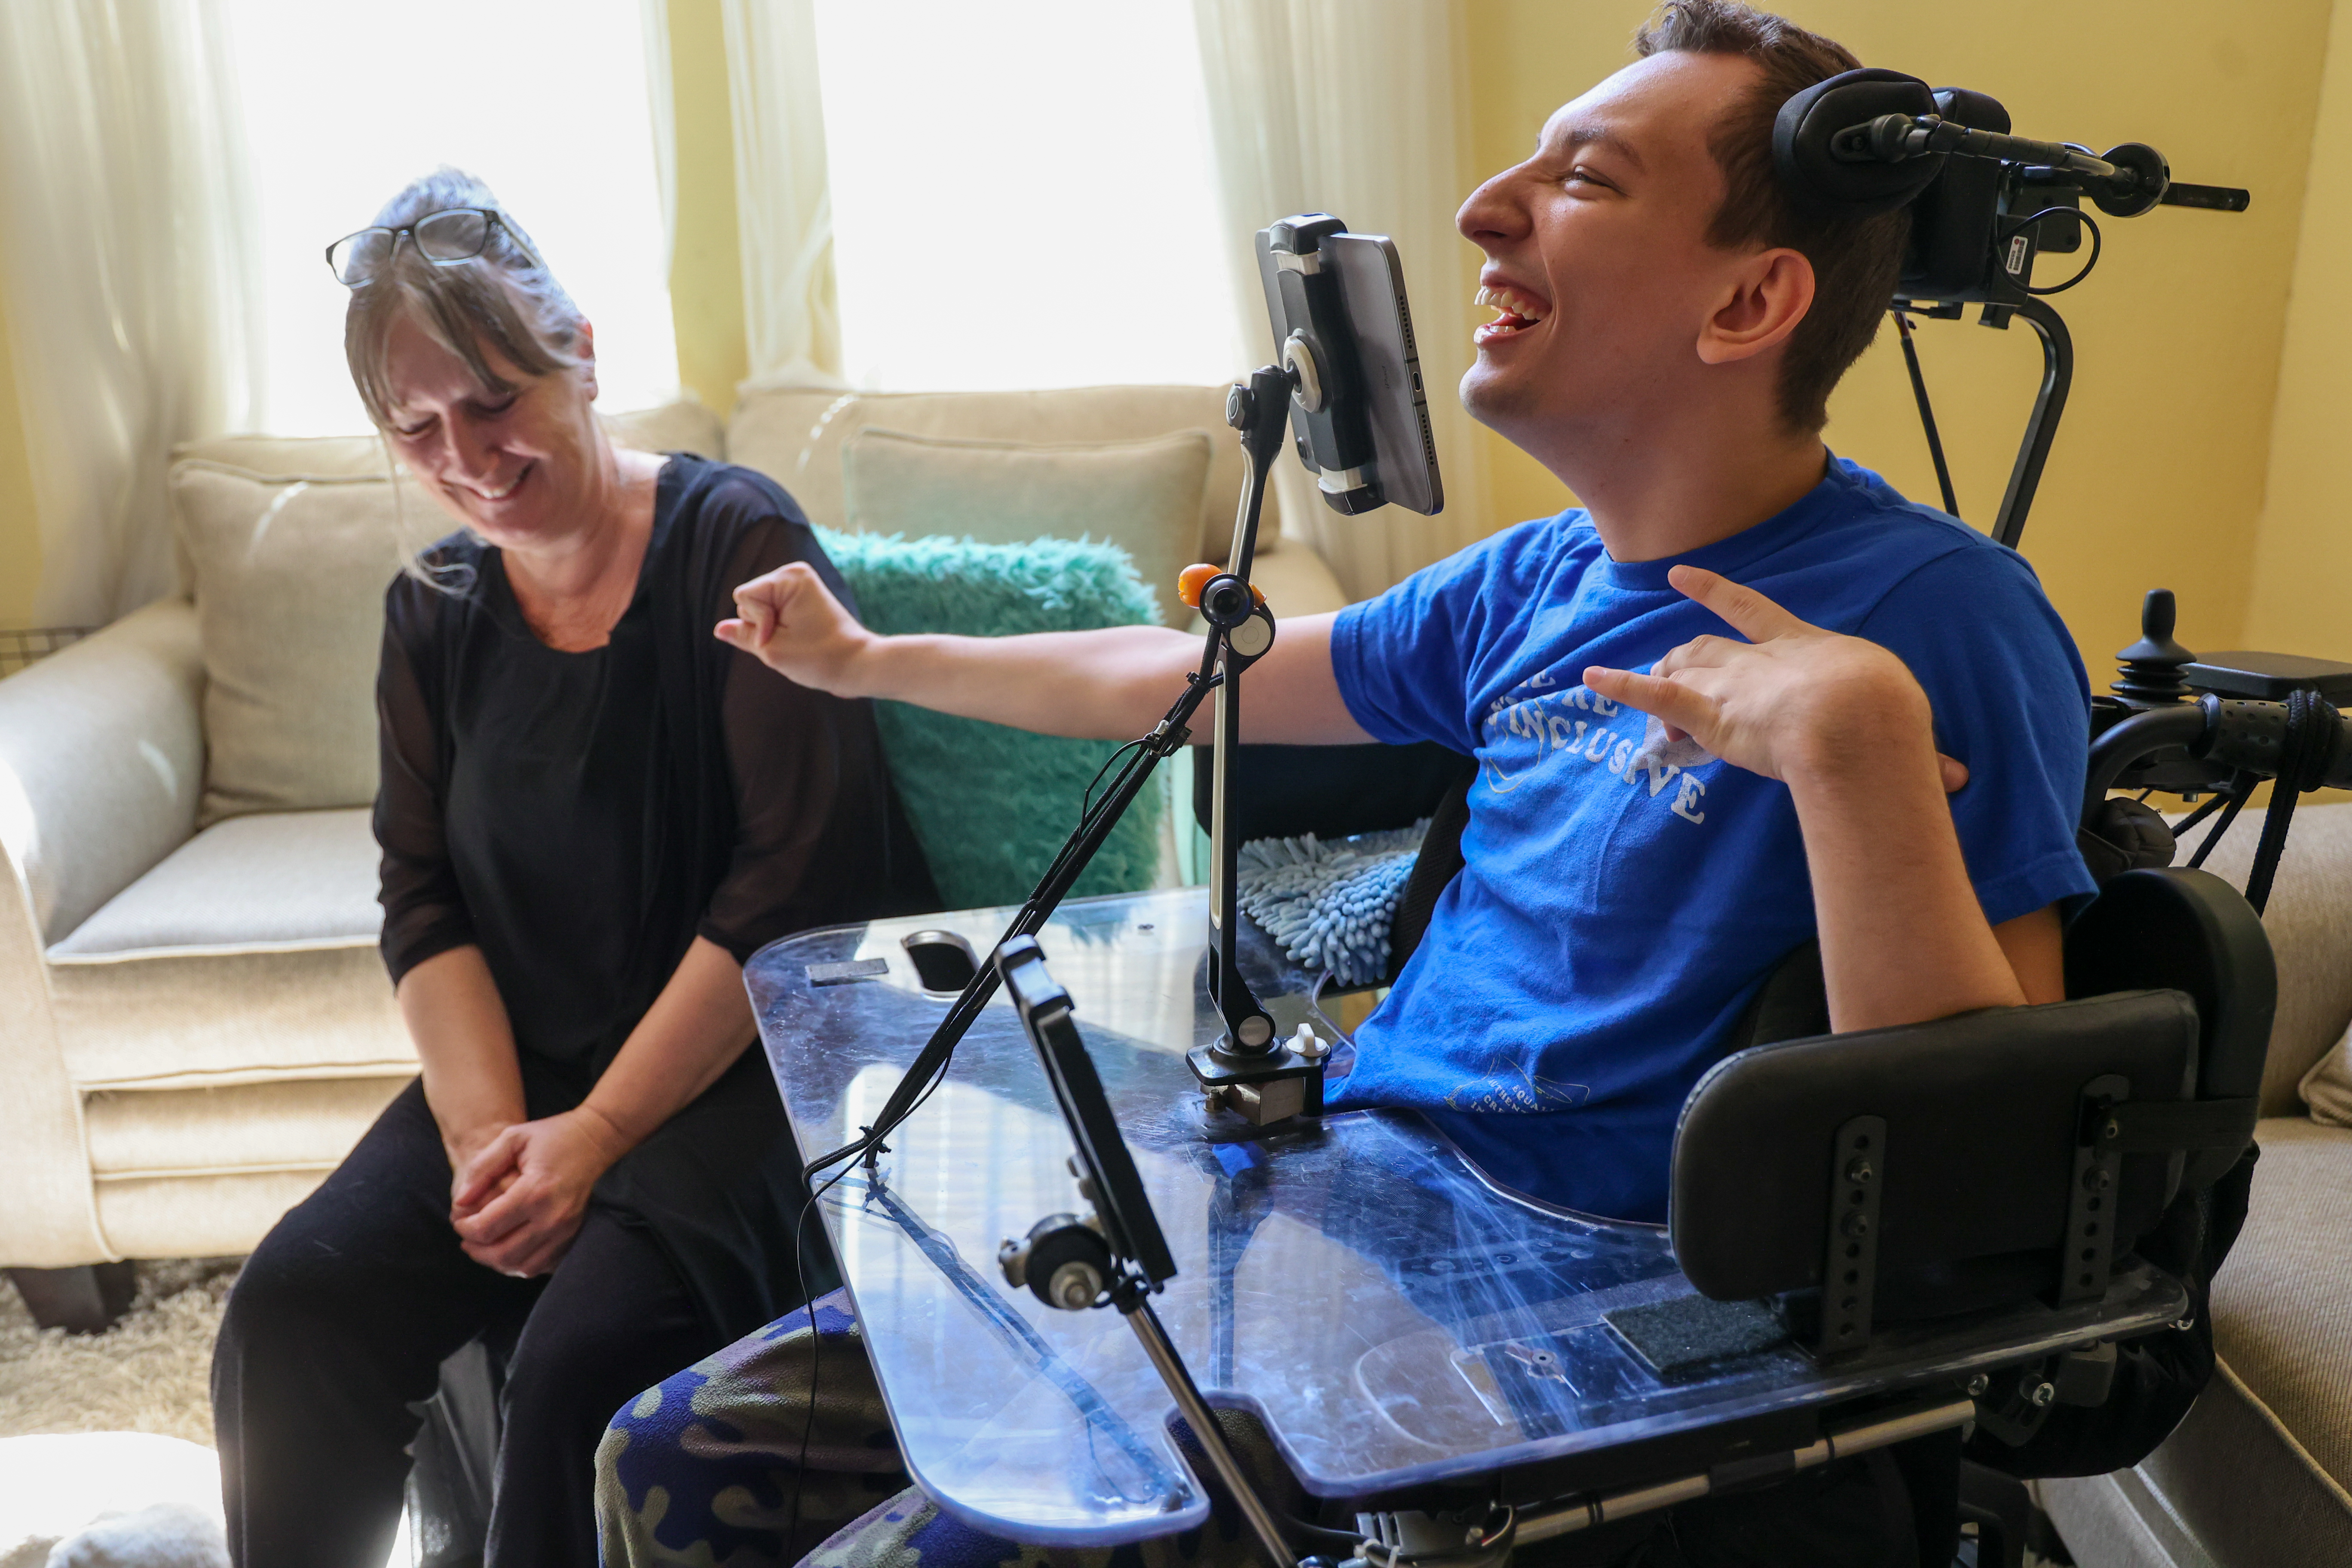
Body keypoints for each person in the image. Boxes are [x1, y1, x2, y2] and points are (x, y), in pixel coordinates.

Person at [597, 3, 2097, 1564]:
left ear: (1751, 302)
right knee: (673, 1459)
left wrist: (1855, 752)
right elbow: (1184, 674)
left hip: (1567, 1321)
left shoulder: (1935, 617)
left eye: (1584, 179)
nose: (1481, 210)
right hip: (1355, 1204)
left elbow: (1974, 1165)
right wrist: (868, 661)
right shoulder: (1532, 583)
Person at [208, 168, 936, 1567]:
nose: (466, 455)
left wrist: (595, 1139)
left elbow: (795, 889)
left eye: (494, 401)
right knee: (294, 1305)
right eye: (416, 427)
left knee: (574, 1364)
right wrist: (495, 1148)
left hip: (758, 1077)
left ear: (582, 355)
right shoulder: (431, 611)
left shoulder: (738, 541)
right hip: (525, 1070)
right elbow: (419, 895)